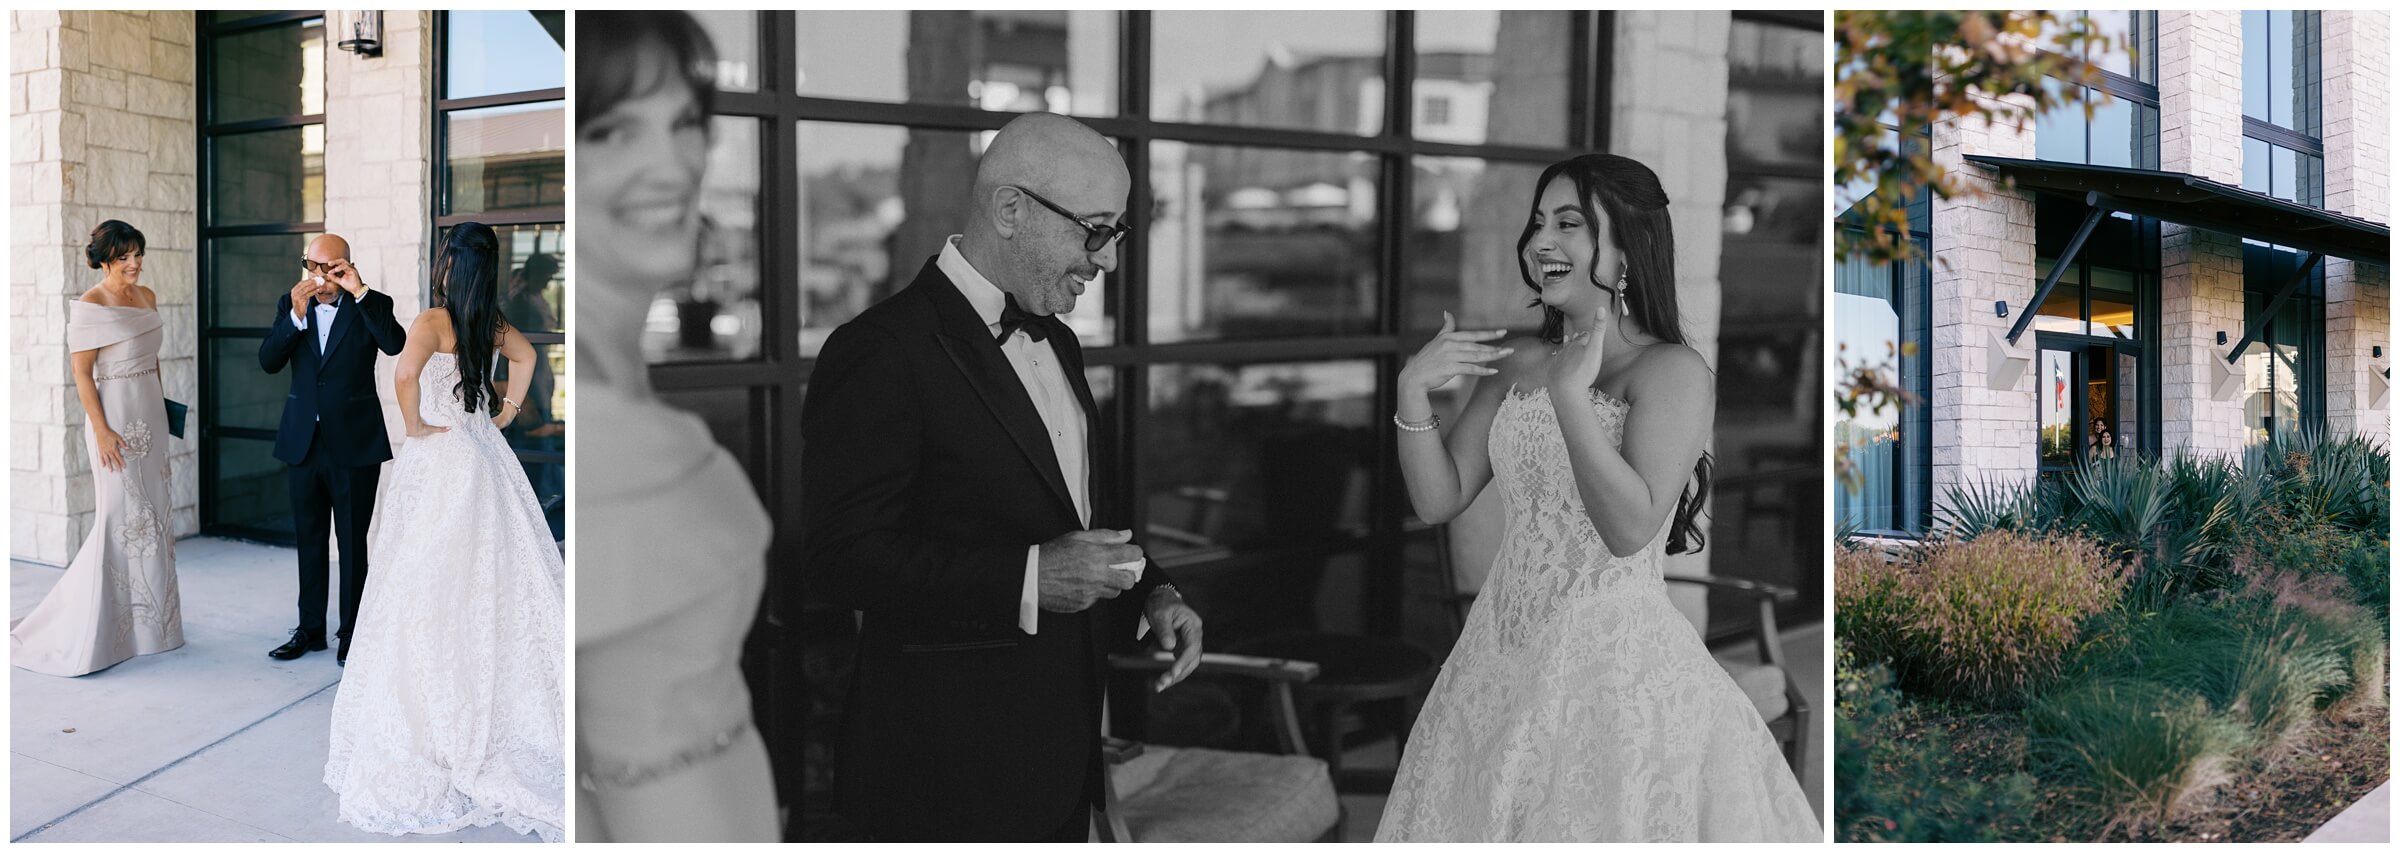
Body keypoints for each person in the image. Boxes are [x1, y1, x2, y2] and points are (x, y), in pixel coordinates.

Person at [1377, 154, 1819, 841]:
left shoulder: (1673, 371)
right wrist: (1410, 393)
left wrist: (1570, 396)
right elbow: (1440, 497)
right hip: (1497, 652)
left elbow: (1630, 527)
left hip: (1612, 671)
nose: (1540, 240)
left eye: (1568, 223)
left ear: (1627, 247)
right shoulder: (1518, 363)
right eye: (1537, 222)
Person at [802, 111, 1205, 842]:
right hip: (940, 777)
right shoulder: (879, 351)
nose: (1107, 259)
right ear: (1010, 209)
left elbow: (1081, 517)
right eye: (1096, 229)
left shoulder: (1062, 342)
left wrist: (1154, 590)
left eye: (1115, 234)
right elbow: (840, 559)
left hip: (1063, 761)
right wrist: (1027, 578)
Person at [570, 10, 778, 843]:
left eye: (685, 122)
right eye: (614, 130)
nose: (672, 163)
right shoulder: (586, 417)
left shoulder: (620, 379)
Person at [321, 222, 564, 841]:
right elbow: (530, 357)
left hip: (441, 458)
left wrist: (416, 427)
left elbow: (404, 377)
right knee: (491, 583)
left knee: (423, 587)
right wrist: (503, 412)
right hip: (483, 456)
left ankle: (436, 715)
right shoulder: (492, 322)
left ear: (450, 264)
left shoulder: (434, 319)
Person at [12, 220, 185, 676]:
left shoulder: (147, 298)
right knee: (119, 518)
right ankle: (99, 626)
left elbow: (154, 362)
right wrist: (102, 429)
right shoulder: (89, 305)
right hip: (113, 420)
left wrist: (163, 414)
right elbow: (82, 375)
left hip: (149, 412)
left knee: (154, 518)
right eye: (125, 256)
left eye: (138, 254)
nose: (135, 263)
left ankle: (152, 626)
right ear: (106, 258)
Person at [258, 233, 407, 665]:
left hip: (355, 444)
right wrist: (296, 318)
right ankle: (310, 631)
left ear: (348, 267)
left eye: (332, 268)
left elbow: (394, 344)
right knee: (309, 541)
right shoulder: (292, 305)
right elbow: (268, 361)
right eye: (314, 268)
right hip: (303, 442)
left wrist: (358, 291)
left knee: (352, 543)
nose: (321, 278)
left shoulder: (370, 303)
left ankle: (352, 634)